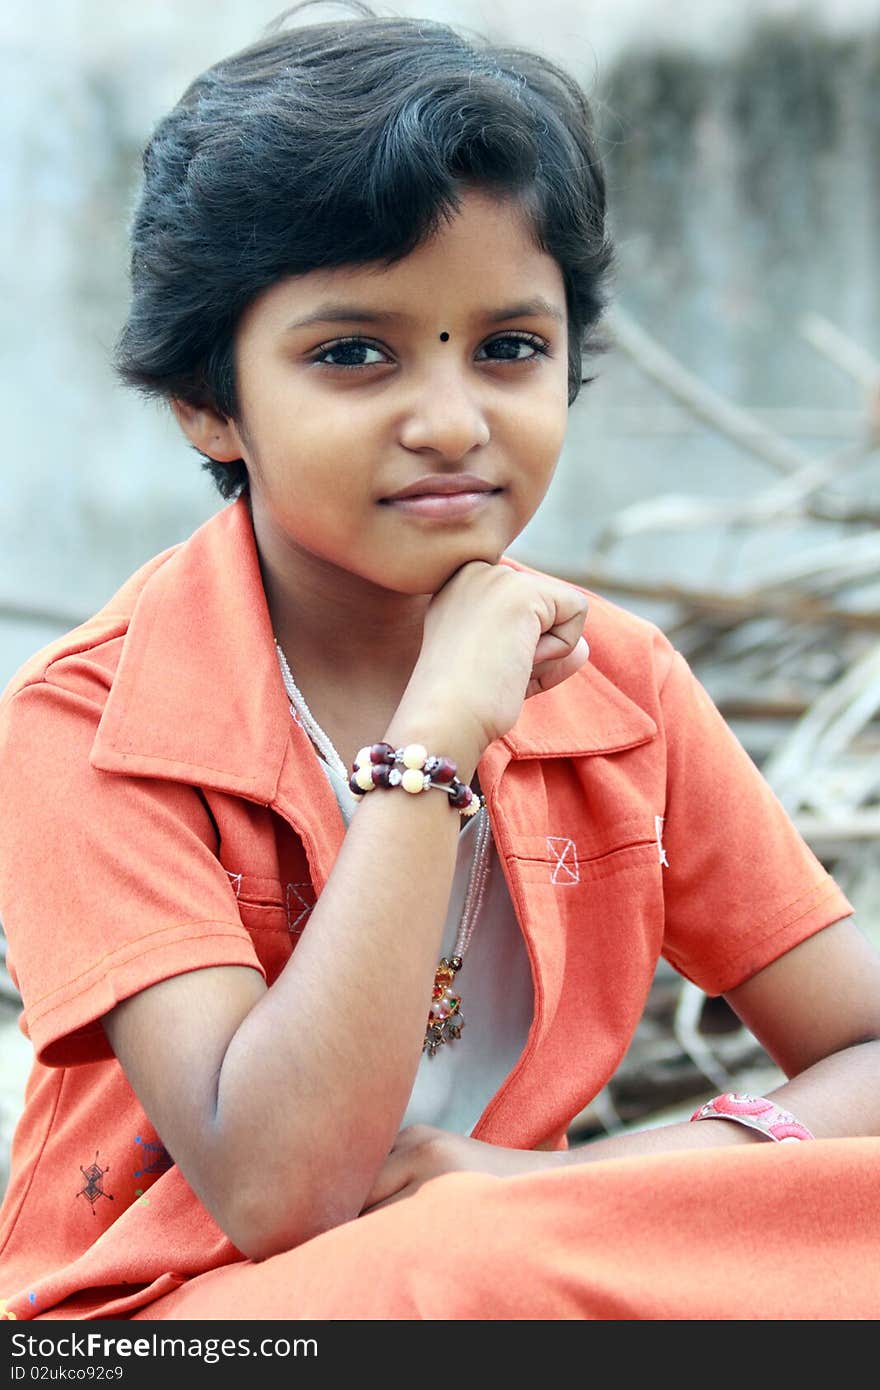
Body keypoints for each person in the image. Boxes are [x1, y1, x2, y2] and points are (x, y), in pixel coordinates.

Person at [0, 0, 879, 1324]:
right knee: (461, 1269)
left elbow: (865, 1050)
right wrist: (437, 740)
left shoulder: (619, 683)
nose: (453, 420)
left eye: (510, 347)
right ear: (206, 398)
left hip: (523, 1262)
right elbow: (280, 1189)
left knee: (500, 1250)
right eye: (356, 353)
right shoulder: (89, 719)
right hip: (172, 1322)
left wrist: (576, 1177)